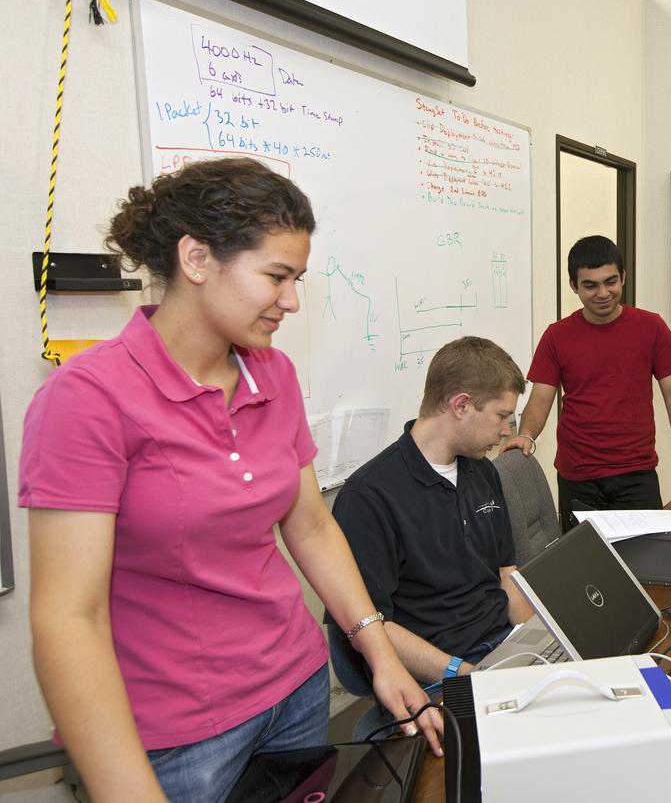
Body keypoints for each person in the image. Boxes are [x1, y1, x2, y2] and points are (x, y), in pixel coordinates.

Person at [19, 158, 441, 803]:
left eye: (297, 278)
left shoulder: (273, 376)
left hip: (295, 691)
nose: (293, 300)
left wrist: (380, 652)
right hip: (178, 735)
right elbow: (66, 620)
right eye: (276, 275)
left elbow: (311, 525)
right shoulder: (89, 398)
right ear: (196, 258)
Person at [332, 338, 534, 697]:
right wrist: (467, 675)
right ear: (461, 405)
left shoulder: (482, 472)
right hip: (440, 670)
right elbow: (372, 628)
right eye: (503, 416)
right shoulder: (368, 497)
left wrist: (540, 641)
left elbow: (506, 572)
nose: (508, 430)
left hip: (501, 649)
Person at [505, 236, 671, 530]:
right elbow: (541, 398)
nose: (603, 293)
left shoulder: (651, 327)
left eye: (611, 282)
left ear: (623, 277)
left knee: (648, 564)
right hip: (578, 477)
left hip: (637, 473)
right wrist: (527, 435)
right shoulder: (556, 336)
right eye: (590, 285)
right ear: (573, 286)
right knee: (585, 568)